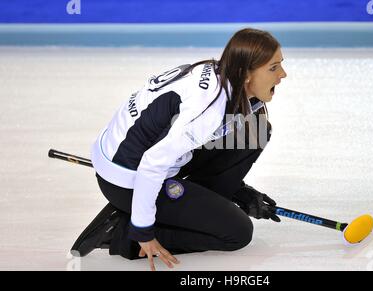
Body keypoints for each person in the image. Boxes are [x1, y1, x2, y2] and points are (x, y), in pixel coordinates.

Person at [70, 28, 287, 271]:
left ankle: (201, 202)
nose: (282, 74)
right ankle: (123, 232)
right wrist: (143, 229)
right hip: (129, 180)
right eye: (273, 68)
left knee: (254, 132)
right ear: (244, 73)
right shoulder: (207, 108)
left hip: (132, 153)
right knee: (237, 232)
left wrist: (237, 190)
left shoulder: (220, 76)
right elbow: (152, 164)